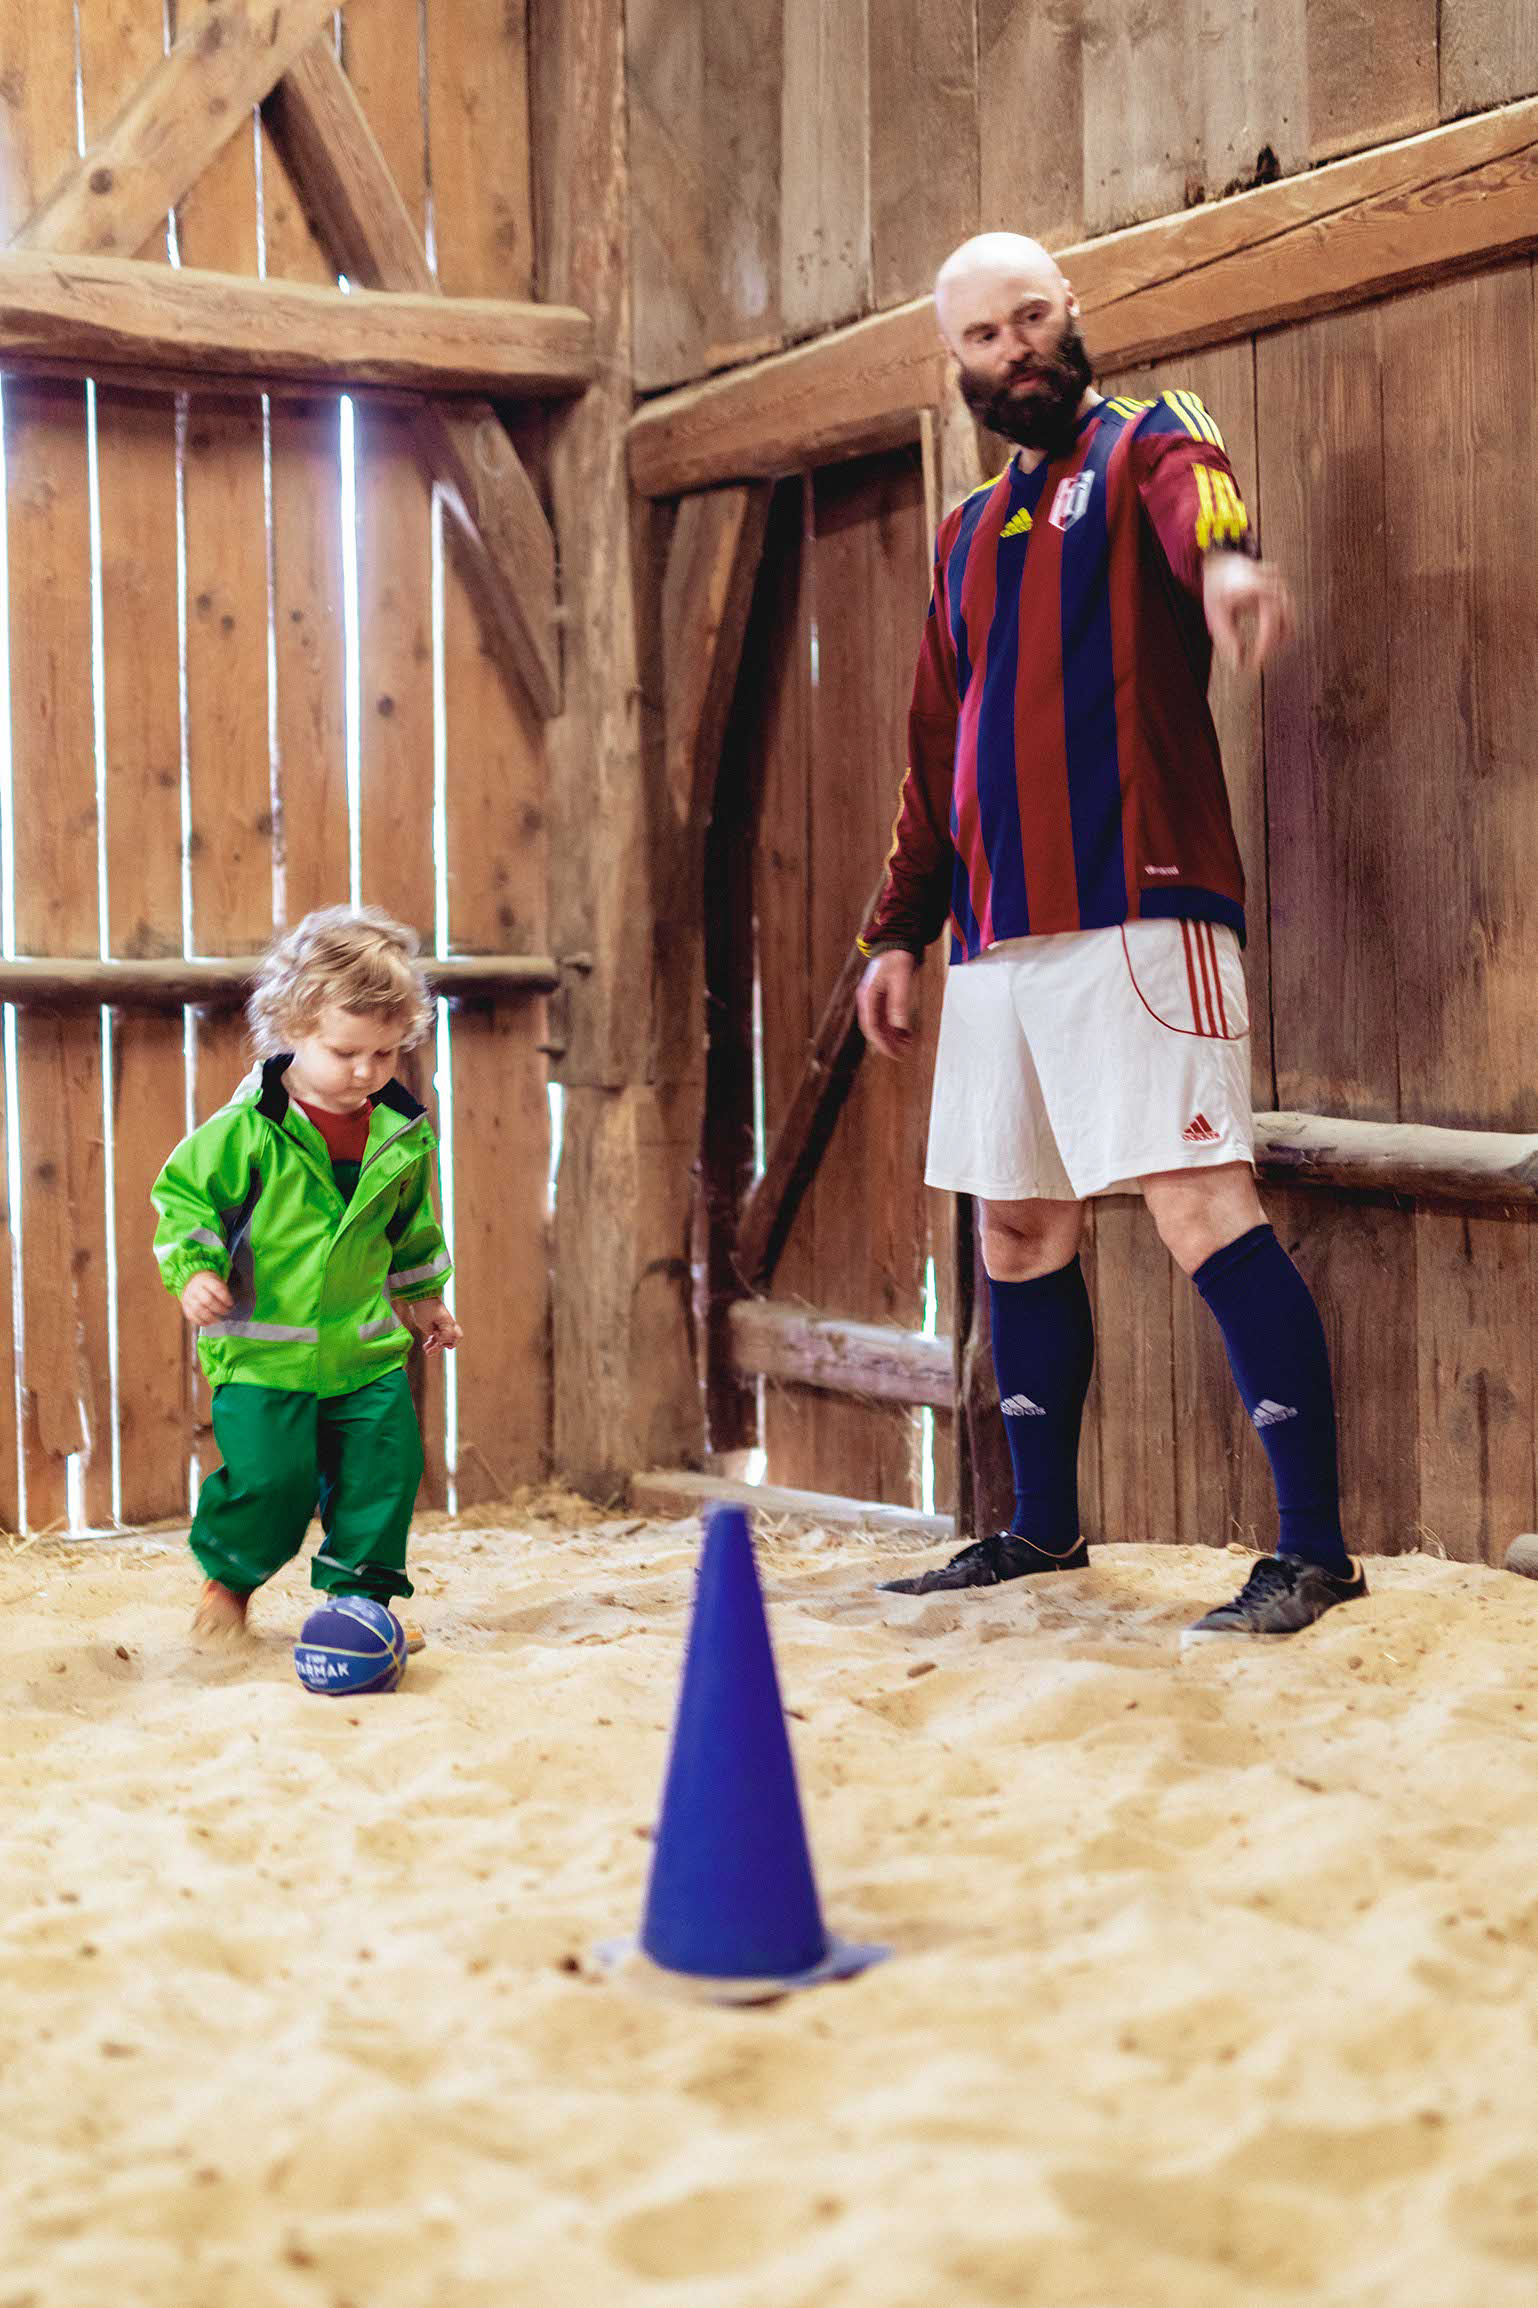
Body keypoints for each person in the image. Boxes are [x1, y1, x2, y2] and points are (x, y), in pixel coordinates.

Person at [858, 232, 1365, 1639]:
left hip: (1140, 906)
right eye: (984, 335)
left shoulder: (1147, 438)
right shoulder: (963, 534)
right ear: (955, 361)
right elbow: (933, 749)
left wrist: (1225, 572)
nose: (1014, 347)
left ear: (1069, 312)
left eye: (1031, 317)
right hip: (994, 937)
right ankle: (1040, 1530)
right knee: (1016, 1225)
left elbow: (1200, 494)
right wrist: (896, 932)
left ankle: (1313, 1552)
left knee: (1199, 1206)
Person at [152, 907, 461, 1644]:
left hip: (364, 1349)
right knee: (271, 1483)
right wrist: (194, 1272)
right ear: (291, 1027)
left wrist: (425, 1298)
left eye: (385, 1053)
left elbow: (411, 1226)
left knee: (383, 1472)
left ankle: (361, 1601)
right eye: (345, 1051)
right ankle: (228, 1584)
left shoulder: (400, 1132)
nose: (367, 1071)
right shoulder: (246, 1130)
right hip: (264, 1353)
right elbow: (185, 1202)